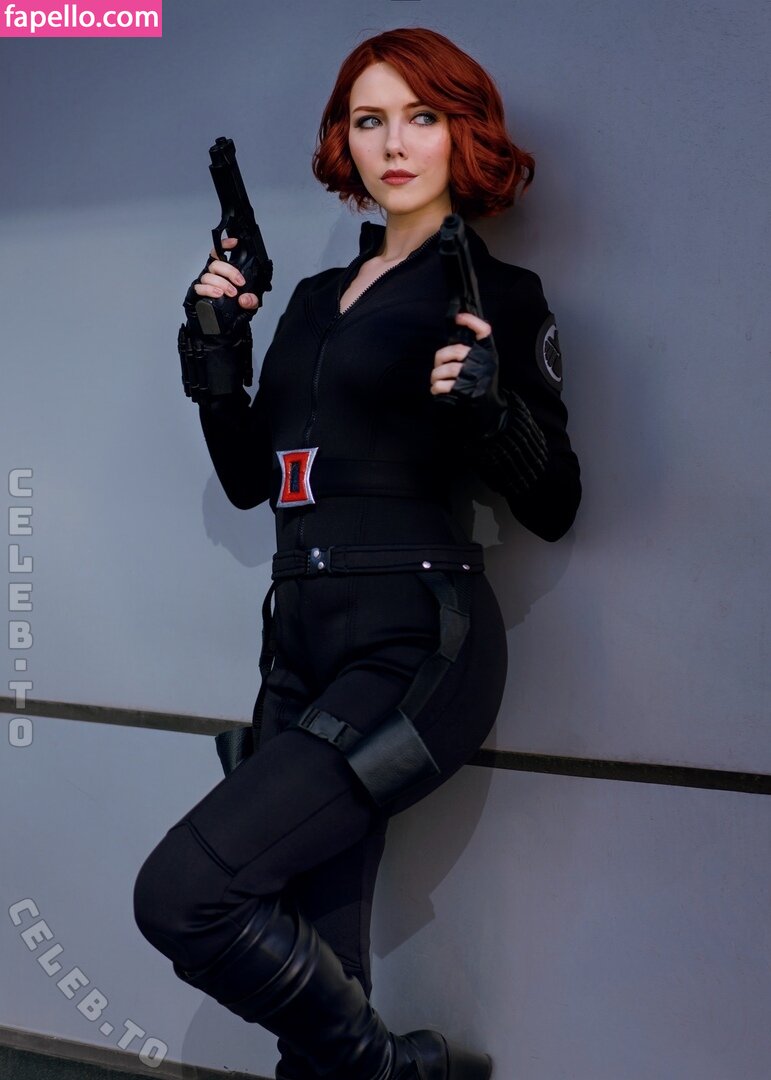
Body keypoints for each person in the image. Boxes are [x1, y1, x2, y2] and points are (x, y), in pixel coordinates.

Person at [133, 26, 580, 1080]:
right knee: (321, 986)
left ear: (463, 132)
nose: (394, 144)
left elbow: (557, 503)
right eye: (369, 119)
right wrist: (215, 350)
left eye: (422, 117)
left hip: (417, 644)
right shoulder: (308, 302)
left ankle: (396, 1068)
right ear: (345, 138)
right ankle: (380, 1070)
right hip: (298, 648)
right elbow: (252, 479)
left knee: (184, 893)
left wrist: (492, 414)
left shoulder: (500, 294)